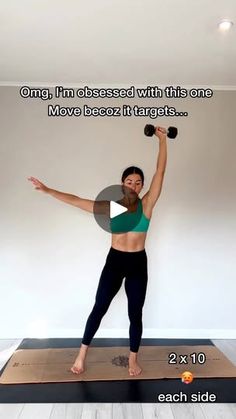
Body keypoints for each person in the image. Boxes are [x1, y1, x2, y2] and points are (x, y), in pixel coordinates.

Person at [28, 126, 167, 376]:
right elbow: (77, 200)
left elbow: (161, 172)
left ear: (143, 185)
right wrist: (48, 191)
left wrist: (162, 140)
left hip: (137, 263)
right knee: (99, 307)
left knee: (135, 312)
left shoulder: (148, 204)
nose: (134, 186)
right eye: (129, 182)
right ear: (122, 184)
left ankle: (132, 359)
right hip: (115, 261)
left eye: (138, 182)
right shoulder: (112, 207)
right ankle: (81, 356)